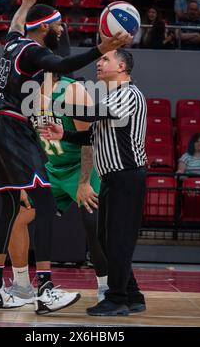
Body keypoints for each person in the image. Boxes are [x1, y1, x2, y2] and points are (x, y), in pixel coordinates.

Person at [0, 0, 132, 311]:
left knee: (86, 222)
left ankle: (105, 288)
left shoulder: (64, 84)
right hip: (27, 146)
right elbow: (57, 55)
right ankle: (31, 286)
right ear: (46, 29)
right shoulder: (33, 63)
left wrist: (24, 3)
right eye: (59, 25)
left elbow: (89, 139)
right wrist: (101, 48)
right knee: (29, 211)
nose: (62, 30)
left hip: (66, 161)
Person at [40, 49, 147, 316]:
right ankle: (133, 295)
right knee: (106, 238)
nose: (98, 63)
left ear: (122, 66)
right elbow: (92, 137)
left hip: (127, 176)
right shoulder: (112, 97)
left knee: (118, 240)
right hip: (113, 177)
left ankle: (116, 299)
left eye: (105, 59)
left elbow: (91, 115)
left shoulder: (129, 94)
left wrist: (52, 102)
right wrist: (64, 133)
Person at [6, 73, 109, 304]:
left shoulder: (72, 91)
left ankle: (106, 286)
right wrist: (23, 181)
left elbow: (89, 139)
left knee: (93, 224)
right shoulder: (29, 94)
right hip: (54, 168)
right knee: (17, 215)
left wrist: (83, 183)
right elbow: (27, 144)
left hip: (84, 166)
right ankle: (22, 285)